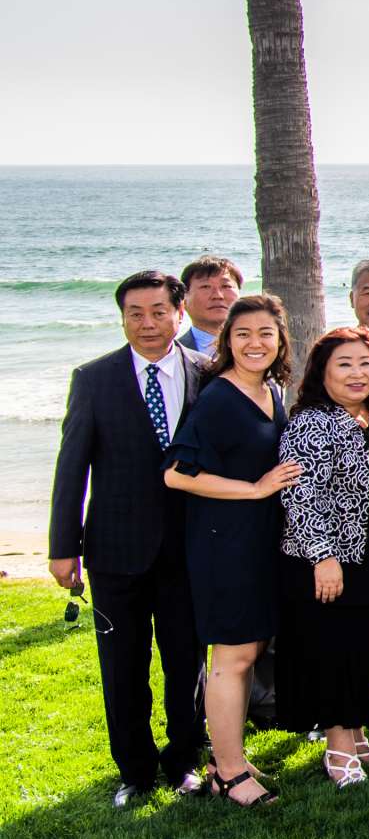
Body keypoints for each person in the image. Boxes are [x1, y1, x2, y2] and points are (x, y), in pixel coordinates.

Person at [48, 270, 209, 807]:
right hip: (115, 551)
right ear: (121, 318)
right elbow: (72, 467)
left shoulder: (207, 373)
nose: (147, 323)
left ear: (178, 314)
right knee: (122, 666)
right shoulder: (94, 379)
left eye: (159, 311)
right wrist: (61, 546)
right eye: (135, 313)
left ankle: (185, 760)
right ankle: (136, 772)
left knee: (186, 662)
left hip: (189, 549)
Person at [162, 293, 296, 805]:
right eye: (242, 335)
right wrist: (257, 489)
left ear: (280, 338)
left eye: (265, 333)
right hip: (225, 543)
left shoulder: (271, 391)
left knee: (249, 651)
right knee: (232, 657)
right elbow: (177, 474)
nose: (254, 343)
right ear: (226, 342)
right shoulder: (219, 398)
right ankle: (231, 775)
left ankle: (227, 759)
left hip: (258, 540)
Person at [274, 326, 369, 788]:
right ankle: (338, 750)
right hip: (324, 560)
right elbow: (301, 494)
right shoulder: (312, 421)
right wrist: (324, 558)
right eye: (344, 364)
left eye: (366, 363)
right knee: (334, 653)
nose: (357, 373)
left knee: (360, 651)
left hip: (365, 557)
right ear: (322, 373)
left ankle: (359, 738)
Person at [177, 255, 244, 359]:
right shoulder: (170, 354)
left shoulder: (262, 348)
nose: (217, 296)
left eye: (226, 286)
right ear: (184, 300)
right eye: (205, 287)